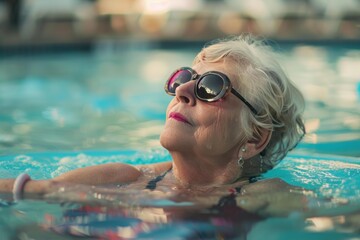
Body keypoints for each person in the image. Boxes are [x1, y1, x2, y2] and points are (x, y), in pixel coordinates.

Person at [0, 34, 306, 215]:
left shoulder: (263, 195)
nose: (183, 91)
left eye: (211, 87)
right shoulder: (121, 177)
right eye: (184, 78)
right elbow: (28, 193)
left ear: (253, 138)